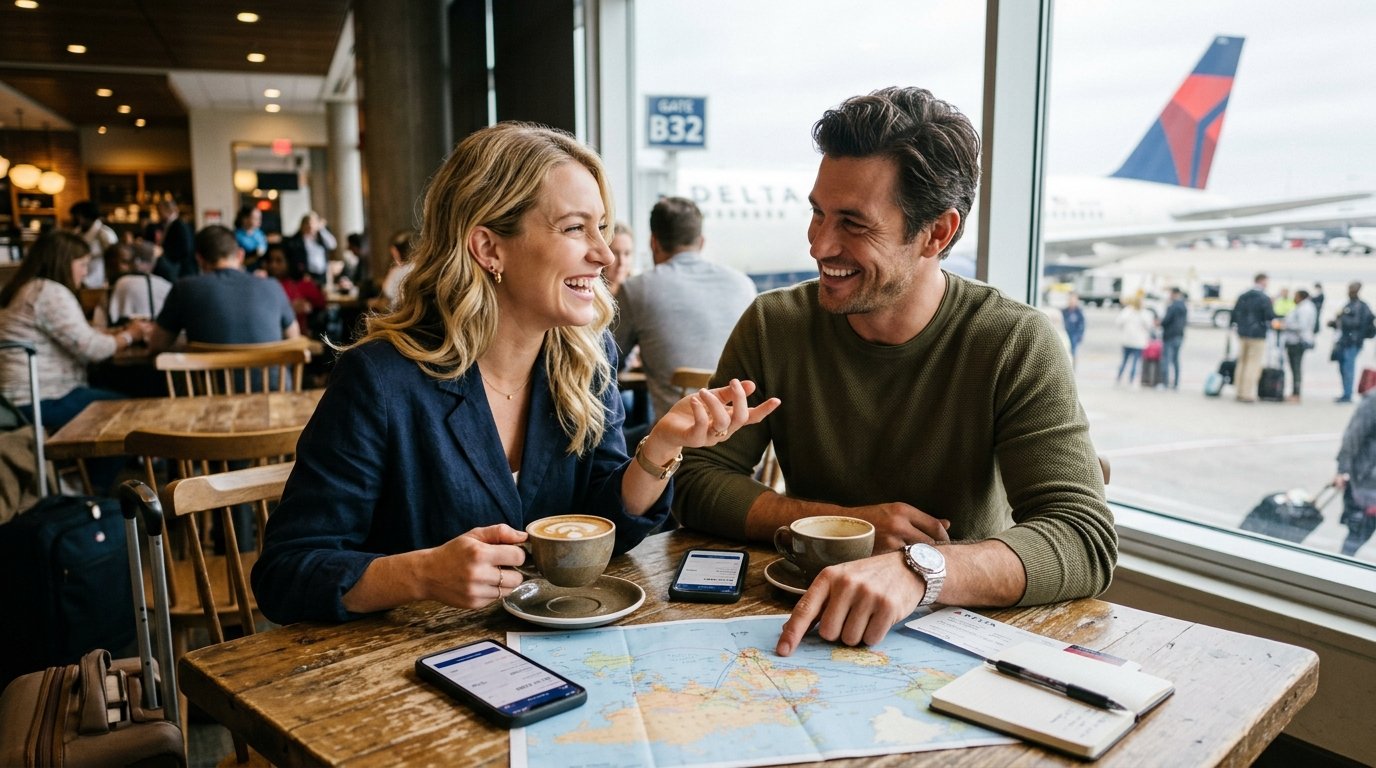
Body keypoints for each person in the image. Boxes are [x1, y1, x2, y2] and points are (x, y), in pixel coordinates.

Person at [251, 122, 779, 625]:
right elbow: (285, 573)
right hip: (411, 675)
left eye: (600, 228)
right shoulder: (380, 381)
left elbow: (600, 530)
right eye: (575, 228)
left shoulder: (586, 362)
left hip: (552, 652)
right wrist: (420, 574)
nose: (601, 255)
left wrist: (660, 447)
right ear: (488, 248)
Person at [672, 87, 1114, 656]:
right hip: (806, 628)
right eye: (817, 212)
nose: (819, 244)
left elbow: (1083, 537)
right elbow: (698, 480)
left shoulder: (1013, 341)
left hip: (961, 636)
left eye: (854, 224)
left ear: (937, 233)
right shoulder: (774, 323)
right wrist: (844, 523)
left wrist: (917, 571)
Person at [614, 197, 758, 425]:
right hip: (745, 444)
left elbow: (609, 361)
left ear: (654, 243)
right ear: (701, 242)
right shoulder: (744, 285)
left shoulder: (637, 289)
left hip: (676, 449)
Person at [0, 232, 151, 432]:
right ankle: (105, 462)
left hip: (16, 400)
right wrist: (131, 335)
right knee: (126, 408)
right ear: (63, 263)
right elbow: (93, 349)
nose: (85, 273)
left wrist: (117, 332)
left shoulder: (28, 289)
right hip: (40, 400)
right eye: (82, 264)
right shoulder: (50, 293)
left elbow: (77, 335)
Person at [147, 225, 299, 351]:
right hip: (274, 386)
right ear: (240, 255)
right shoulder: (273, 286)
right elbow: (294, 339)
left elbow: (157, 346)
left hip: (210, 387)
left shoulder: (184, 288)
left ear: (199, 259)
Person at [1335, 390, 1376, 556]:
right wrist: (1343, 469)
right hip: (1367, 483)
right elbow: (1354, 435)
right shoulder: (1373, 400)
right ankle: (1337, 572)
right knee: (1358, 533)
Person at [1230, 273, 1276, 403]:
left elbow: (1234, 313)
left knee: (1242, 362)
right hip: (1257, 334)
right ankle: (1247, 393)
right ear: (1262, 281)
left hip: (1242, 333)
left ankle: (1238, 390)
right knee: (1253, 364)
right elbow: (1270, 316)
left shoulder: (1243, 296)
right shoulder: (1264, 298)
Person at [1328, 281, 1376, 404]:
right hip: (1343, 341)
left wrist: (1342, 317)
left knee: (1348, 367)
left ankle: (1348, 394)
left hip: (1353, 342)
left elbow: (1356, 323)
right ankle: (1345, 392)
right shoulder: (1349, 305)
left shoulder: (1360, 306)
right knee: (1343, 367)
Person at [264, 243, 325, 333]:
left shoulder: (302, 284)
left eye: (279, 261)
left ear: (289, 262)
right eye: (270, 261)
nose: (273, 265)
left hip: (297, 338)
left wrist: (309, 306)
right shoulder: (263, 284)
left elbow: (321, 303)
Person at [106, 241, 172, 325]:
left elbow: (111, 317)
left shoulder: (122, 283)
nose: (120, 267)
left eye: (125, 262)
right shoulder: (166, 285)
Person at [1276, 288, 1317, 402]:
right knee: (1294, 368)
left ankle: (1296, 393)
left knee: (1296, 368)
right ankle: (1295, 392)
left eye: (1295, 296)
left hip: (1297, 341)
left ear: (1301, 297)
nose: (1293, 298)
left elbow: (1302, 325)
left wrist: (1285, 326)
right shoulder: (1303, 307)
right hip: (1294, 340)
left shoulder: (1305, 308)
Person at [69, 200, 117, 288]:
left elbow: (114, 260)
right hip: (79, 281)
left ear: (82, 217)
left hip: (98, 283)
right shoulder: (76, 233)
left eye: (75, 216)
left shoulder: (104, 234)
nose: (72, 219)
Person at [285, 211, 338, 286]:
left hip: (322, 274)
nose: (310, 226)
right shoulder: (297, 240)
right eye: (308, 223)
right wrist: (303, 272)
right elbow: (295, 258)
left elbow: (332, 245)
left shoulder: (320, 237)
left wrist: (322, 229)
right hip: (306, 275)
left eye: (313, 223)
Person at [152, 198, 197, 282]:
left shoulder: (179, 225)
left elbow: (186, 248)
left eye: (159, 211)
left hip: (182, 271)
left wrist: (164, 252)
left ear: (166, 210)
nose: (158, 214)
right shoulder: (170, 225)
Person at [1113, 295, 1153, 386]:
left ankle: (1119, 377)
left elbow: (1118, 322)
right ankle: (1131, 379)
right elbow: (1149, 326)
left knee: (1124, 361)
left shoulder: (1127, 311)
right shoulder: (1144, 313)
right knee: (1135, 362)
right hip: (1138, 342)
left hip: (1127, 340)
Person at [1158, 287, 1188, 389]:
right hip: (1179, 335)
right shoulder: (1184, 305)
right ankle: (1176, 383)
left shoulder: (1173, 306)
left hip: (1170, 335)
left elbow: (1166, 320)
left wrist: (1159, 323)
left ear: (1174, 294)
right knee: (1175, 360)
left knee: (1166, 359)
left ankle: (1165, 383)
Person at [606, 221, 635, 296]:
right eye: (615, 253)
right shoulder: (591, 294)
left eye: (627, 253)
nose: (622, 262)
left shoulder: (638, 292)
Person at [1060, 291, 1085, 366]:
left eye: (1074, 299)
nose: (1072, 301)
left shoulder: (1079, 312)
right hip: (1065, 334)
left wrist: (1079, 335)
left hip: (1074, 335)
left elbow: (1082, 325)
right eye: (1070, 299)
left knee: (1073, 353)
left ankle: (1072, 369)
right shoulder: (1064, 311)